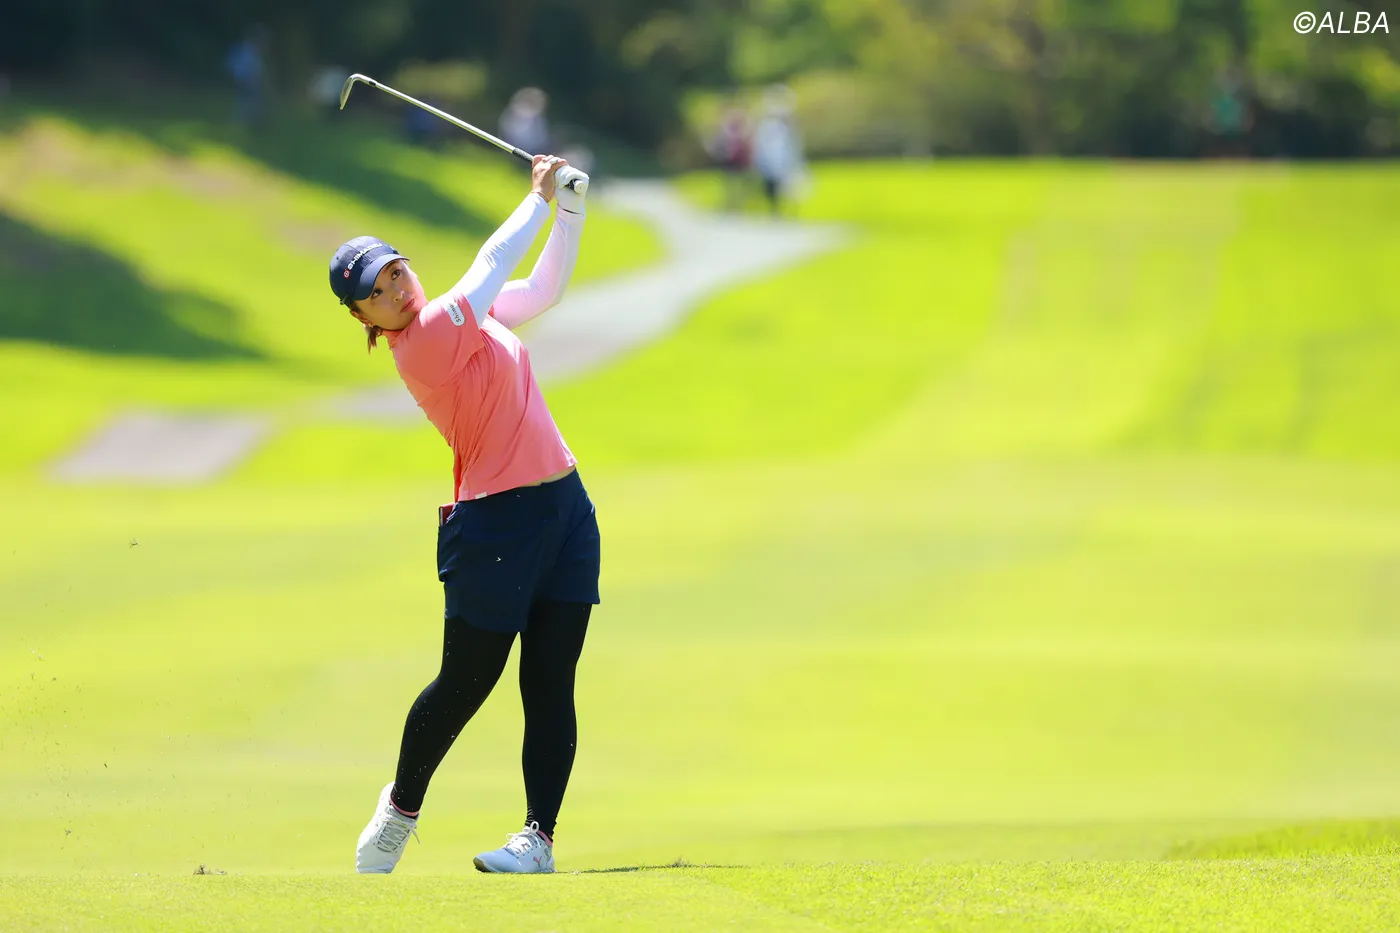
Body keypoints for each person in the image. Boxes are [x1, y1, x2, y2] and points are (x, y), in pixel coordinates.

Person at [331, 155, 597, 875]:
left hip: (566, 512)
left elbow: (541, 290)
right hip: (495, 527)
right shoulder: (423, 340)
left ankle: (538, 839)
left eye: (395, 272)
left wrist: (570, 211)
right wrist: (538, 198)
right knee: (465, 683)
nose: (395, 288)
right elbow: (491, 263)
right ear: (363, 318)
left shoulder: (466, 316)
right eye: (376, 292)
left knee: (550, 683)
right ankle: (400, 810)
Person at [751, 87, 806, 215]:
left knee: (789, 188)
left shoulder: (786, 128)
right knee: (773, 189)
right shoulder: (767, 127)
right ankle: (776, 210)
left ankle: (787, 210)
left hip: (784, 163)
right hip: (772, 164)